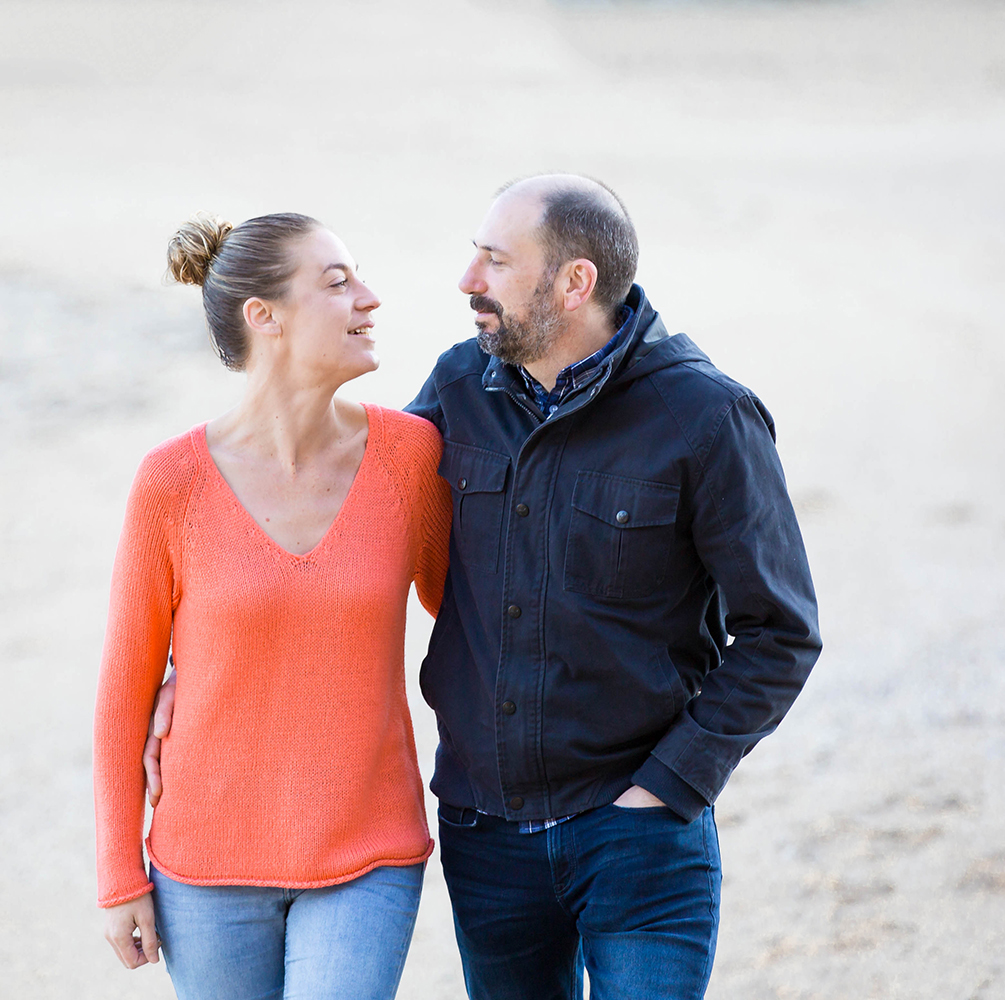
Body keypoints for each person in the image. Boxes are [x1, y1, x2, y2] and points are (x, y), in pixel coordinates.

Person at [148, 175, 822, 999]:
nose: (467, 280)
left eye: (495, 261)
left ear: (574, 282)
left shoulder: (706, 417)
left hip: (640, 836)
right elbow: (349, 539)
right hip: (486, 837)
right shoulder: (458, 391)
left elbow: (780, 632)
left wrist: (670, 784)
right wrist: (209, 668)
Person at [95, 212, 450, 999]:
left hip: (368, 852)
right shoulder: (171, 485)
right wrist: (121, 875)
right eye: (338, 282)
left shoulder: (410, 459)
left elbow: (482, 621)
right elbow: (125, 693)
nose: (370, 298)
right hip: (205, 870)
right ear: (267, 318)